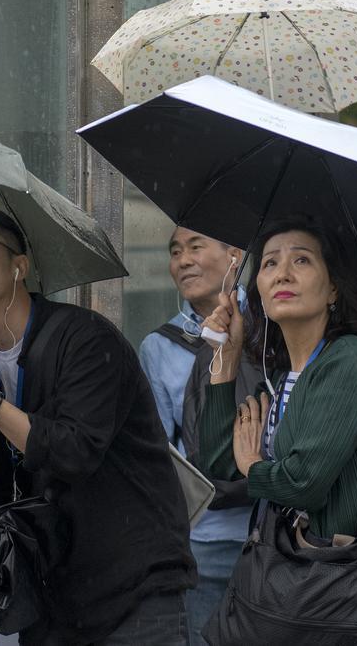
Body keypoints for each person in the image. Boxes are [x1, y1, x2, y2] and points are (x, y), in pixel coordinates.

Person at [0, 205, 196, 645]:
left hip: (133, 589)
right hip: (54, 600)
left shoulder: (85, 338)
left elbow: (74, 451)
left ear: (19, 266)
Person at [196, 216, 357, 645]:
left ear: (333, 288)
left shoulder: (349, 362)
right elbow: (220, 461)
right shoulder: (279, 378)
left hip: (344, 598)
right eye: (270, 263)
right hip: (295, 596)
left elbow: (302, 483)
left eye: (302, 260)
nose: (283, 273)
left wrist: (255, 465)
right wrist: (228, 358)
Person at [138, 226, 249, 644]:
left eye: (195, 247)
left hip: (277, 533)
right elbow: (160, 452)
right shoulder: (159, 346)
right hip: (205, 541)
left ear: (234, 255)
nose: (183, 260)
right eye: (175, 251)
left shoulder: (272, 327)